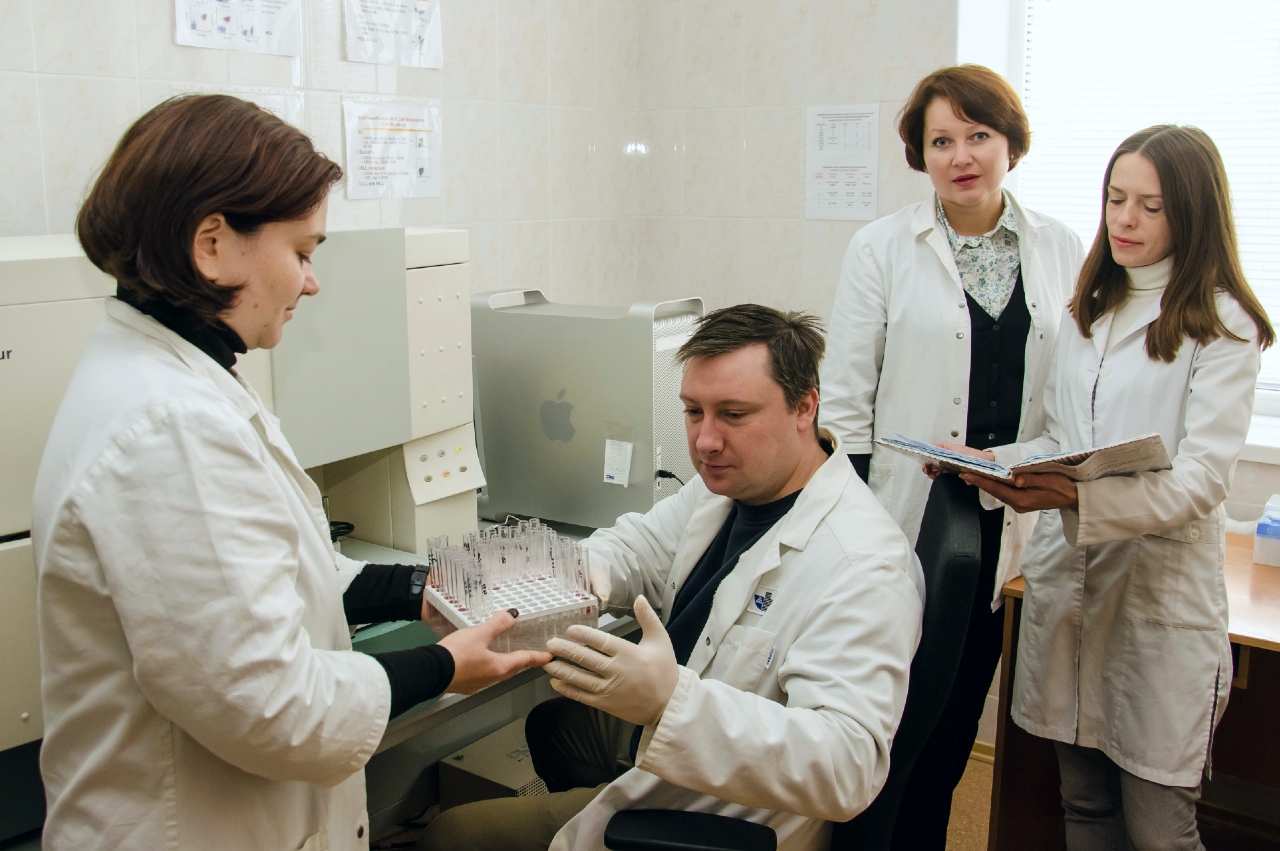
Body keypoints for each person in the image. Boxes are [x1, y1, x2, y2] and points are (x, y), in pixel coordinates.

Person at [32, 95, 550, 851]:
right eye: (303, 252)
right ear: (212, 243)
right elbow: (271, 706)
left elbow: (287, 569)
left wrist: (417, 590)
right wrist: (443, 666)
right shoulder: (169, 426)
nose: (312, 283)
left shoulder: (179, 374)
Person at [420, 305, 925, 851]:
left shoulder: (863, 567)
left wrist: (669, 702)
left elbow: (846, 768)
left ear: (804, 407)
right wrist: (568, 577)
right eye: (693, 411)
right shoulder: (730, 486)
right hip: (677, 730)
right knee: (556, 725)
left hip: (733, 809)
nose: (705, 441)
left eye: (733, 414)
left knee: (452, 835)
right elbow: (639, 546)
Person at [952, 125, 1273, 850]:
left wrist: (1075, 498)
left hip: (1159, 601)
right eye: (1115, 198)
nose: (1123, 220)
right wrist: (993, 460)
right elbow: (1060, 439)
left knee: (1161, 829)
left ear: (1193, 214)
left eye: (1150, 206)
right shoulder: (1087, 310)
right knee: (1084, 805)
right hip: (1072, 593)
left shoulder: (1224, 323)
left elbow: (1201, 478)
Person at [818, 64, 1084, 846]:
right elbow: (844, 399)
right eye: (941, 140)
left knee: (953, 724)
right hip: (901, 520)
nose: (961, 154)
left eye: (979, 135)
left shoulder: (1061, 247)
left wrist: (1015, 457)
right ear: (920, 154)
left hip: (1005, 517)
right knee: (882, 726)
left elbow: (1069, 397)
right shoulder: (883, 248)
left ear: (1010, 144)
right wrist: (851, 526)